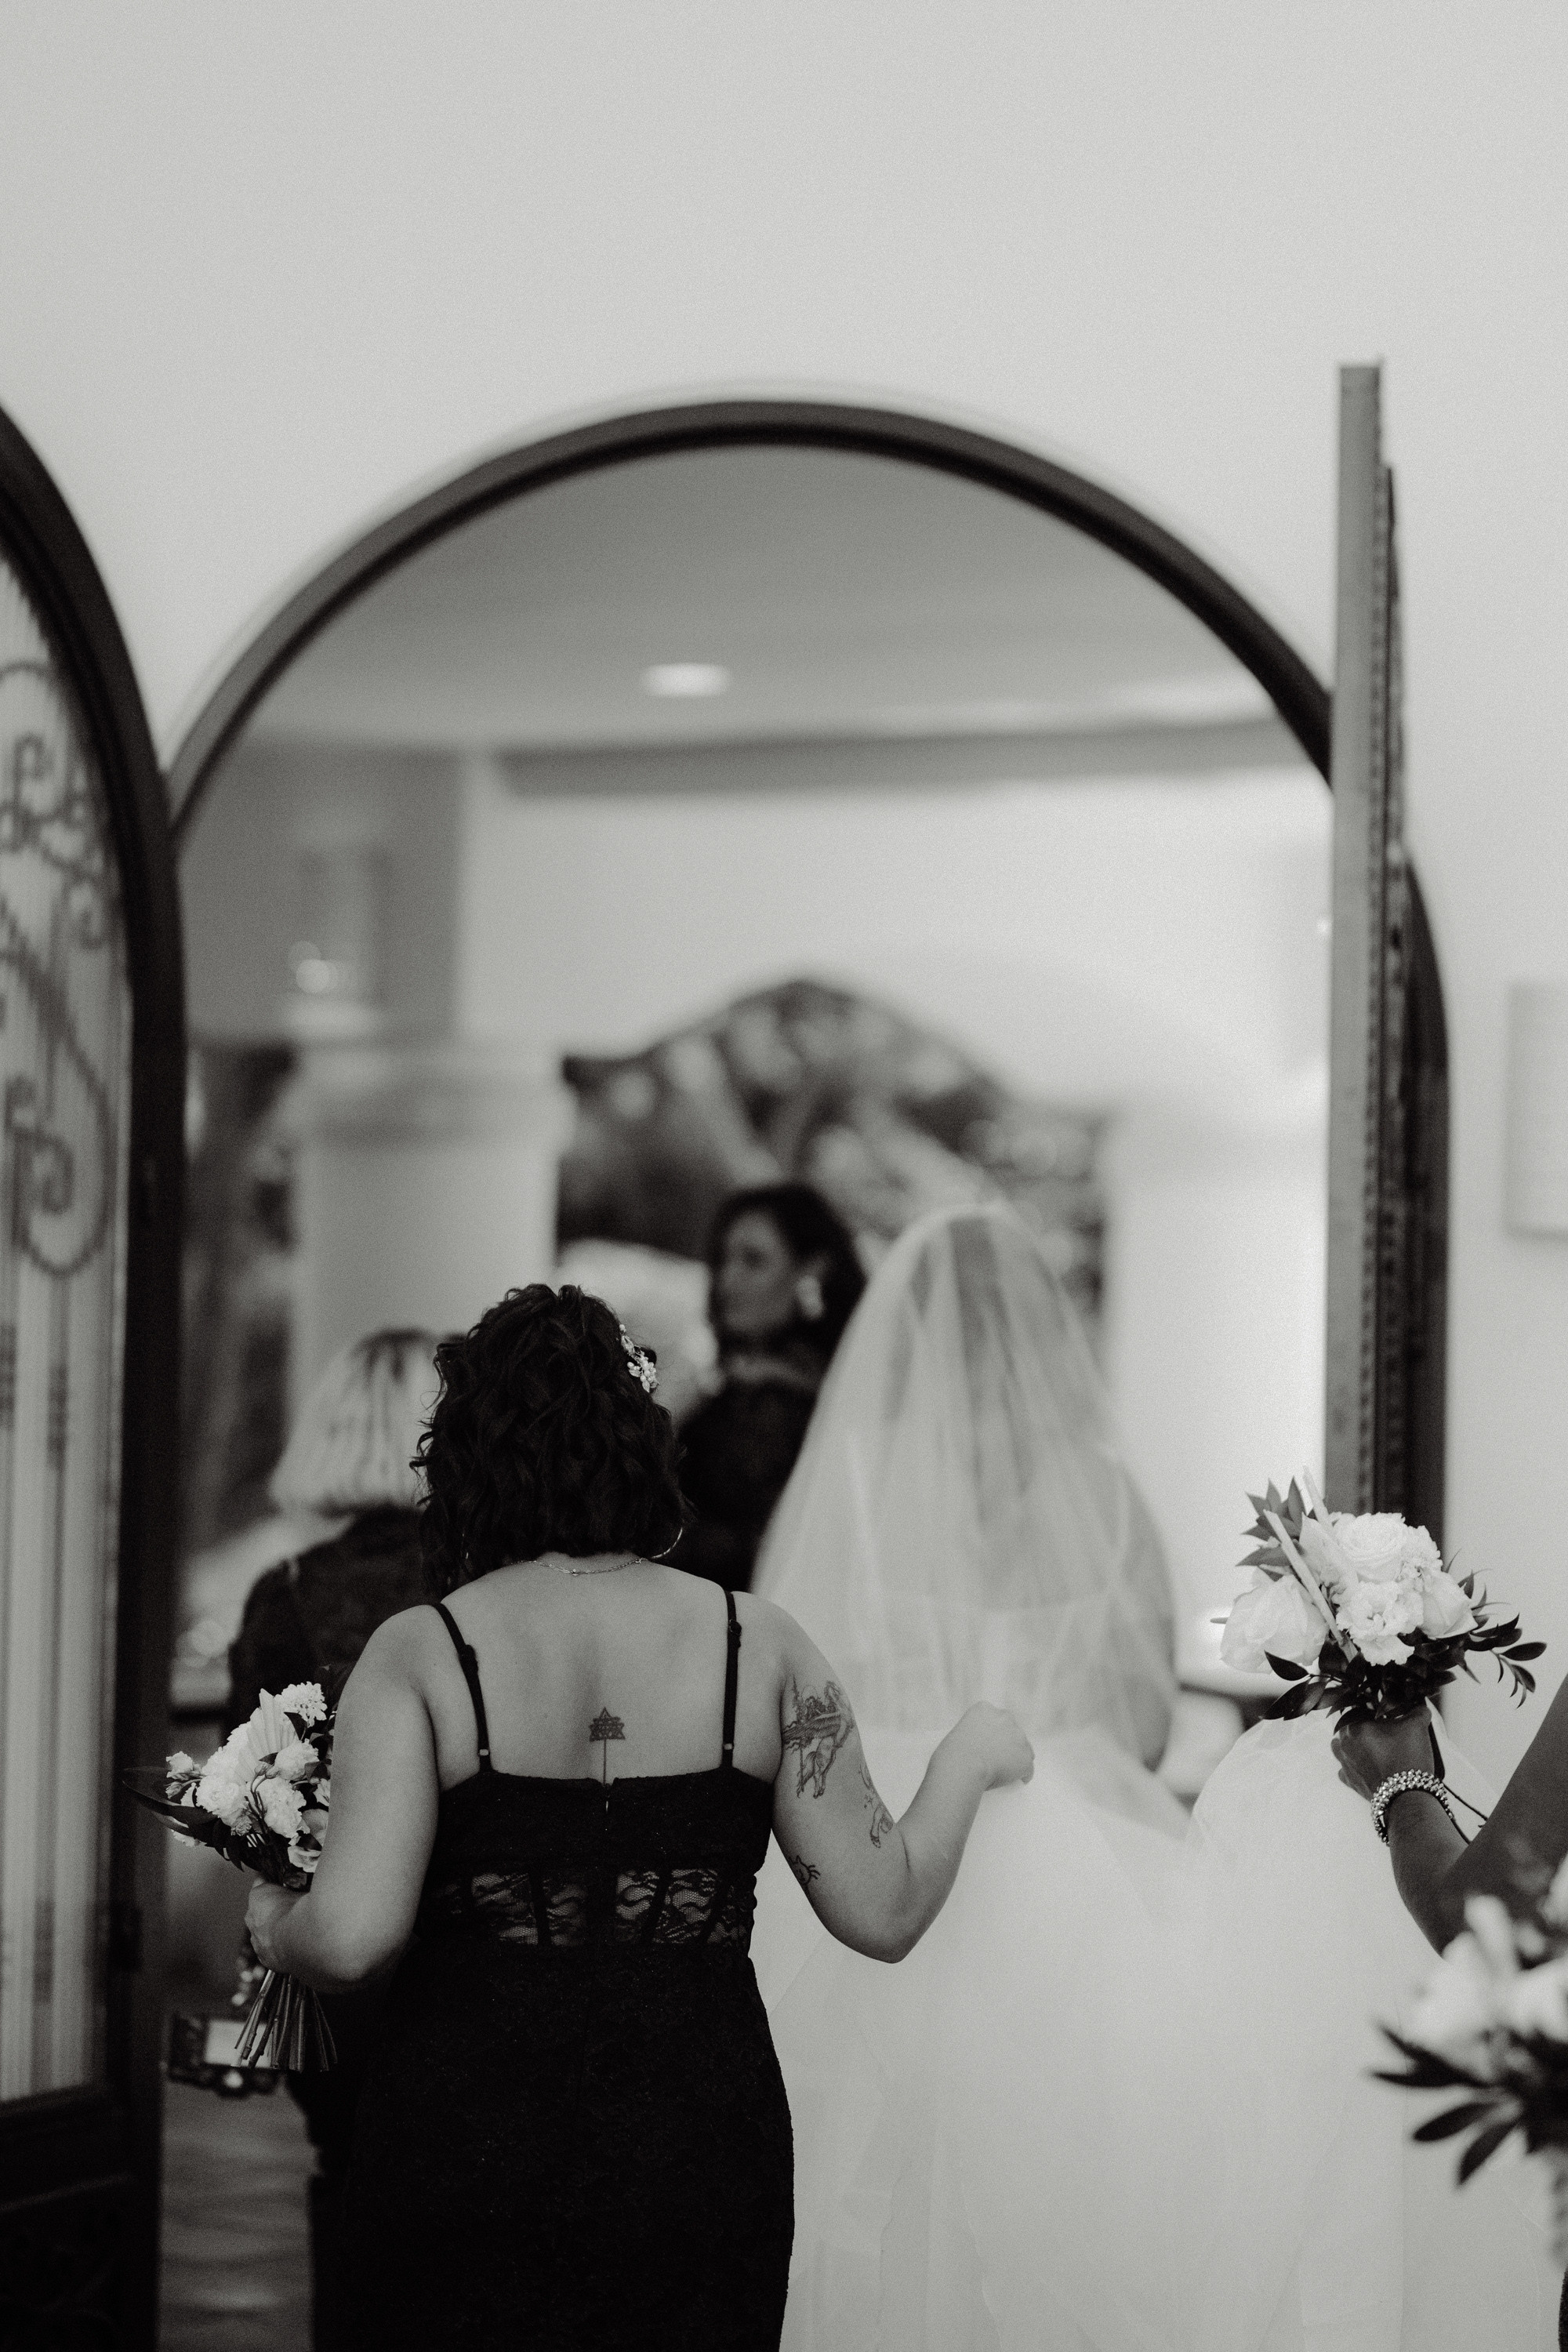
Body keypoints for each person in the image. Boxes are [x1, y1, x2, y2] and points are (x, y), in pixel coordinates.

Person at [243, 1283, 1032, 2352]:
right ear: (641, 1445)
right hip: (696, 2137)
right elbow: (882, 1910)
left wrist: (268, 1920)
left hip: (467, 2133)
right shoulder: (764, 1647)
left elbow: (347, 1934)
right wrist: (966, 1759)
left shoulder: (423, 1652)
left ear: (466, 1458)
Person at [750, 1201, 1186, 2347]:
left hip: (881, 1830)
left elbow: (799, 1685)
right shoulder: (1106, 1496)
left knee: (861, 2165)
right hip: (1078, 1838)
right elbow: (1142, 1718)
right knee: (1071, 2172)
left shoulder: (852, 1478)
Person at [226, 1326, 441, 2352]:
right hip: (479, 1946)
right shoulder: (498, 1590)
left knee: (348, 2186)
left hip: (336, 1951)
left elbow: (252, 1809)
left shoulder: (288, 1599)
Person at [676, 1182, 865, 1589]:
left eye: (754, 1260)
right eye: (723, 1260)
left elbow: (744, 1546)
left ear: (811, 1272)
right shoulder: (807, 1388)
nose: (727, 1282)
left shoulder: (774, 1404)